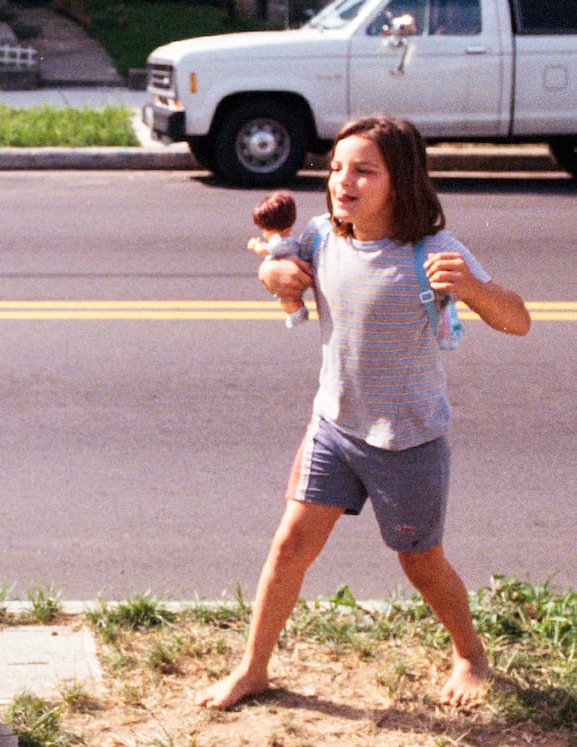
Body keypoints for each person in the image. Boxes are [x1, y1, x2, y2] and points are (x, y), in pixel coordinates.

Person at [198, 115, 530, 712]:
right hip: (334, 427)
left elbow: (518, 321)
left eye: (363, 171)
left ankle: (471, 653)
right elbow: (276, 268)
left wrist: (476, 292)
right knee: (289, 545)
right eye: (335, 169)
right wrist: (272, 273)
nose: (341, 182)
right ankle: (253, 669)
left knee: (421, 563)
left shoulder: (434, 251)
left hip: (409, 442)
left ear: (400, 182)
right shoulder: (325, 236)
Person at [247, 189, 308, 327]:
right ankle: (296, 312)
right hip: (289, 276)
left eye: (264, 229)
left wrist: (255, 245)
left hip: (288, 279)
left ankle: (296, 315)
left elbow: (265, 250)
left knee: (286, 299)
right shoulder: (288, 239)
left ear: (271, 228)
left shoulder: (281, 242)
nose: (263, 233)